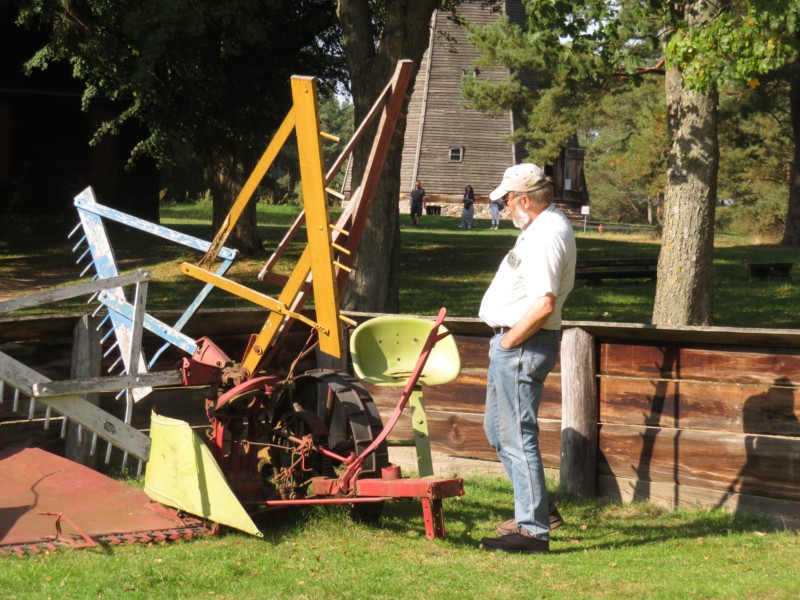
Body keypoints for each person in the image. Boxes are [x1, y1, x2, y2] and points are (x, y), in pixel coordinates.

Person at [478, 163, 577, 554]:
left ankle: (533, 531)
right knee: (497, 432)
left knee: (517, 436)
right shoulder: (542, 229)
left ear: (523, 200)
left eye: (506, 199)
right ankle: (542, 509)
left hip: (522, 344)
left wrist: (507, 344)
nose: (503, 206)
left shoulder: (546, 235)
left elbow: (543, 304)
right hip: (516, 343)